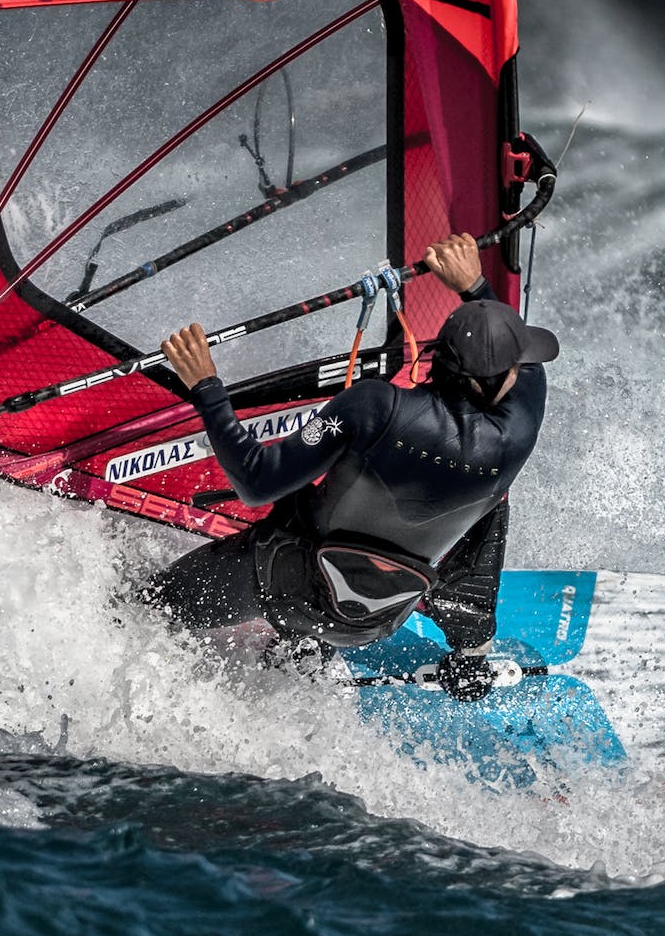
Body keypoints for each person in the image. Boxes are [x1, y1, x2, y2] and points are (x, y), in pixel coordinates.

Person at [142, 233, 553, 698]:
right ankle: (464, 641)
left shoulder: (374, 407)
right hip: (380, 619)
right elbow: (525, 375)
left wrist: (207, 387)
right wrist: (475, 285)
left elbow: (257, 481)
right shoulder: (518, 434)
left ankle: (283, 639)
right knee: (492, 503)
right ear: (496, 381)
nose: (523, 369)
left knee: (144, 613)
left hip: (282, 584)